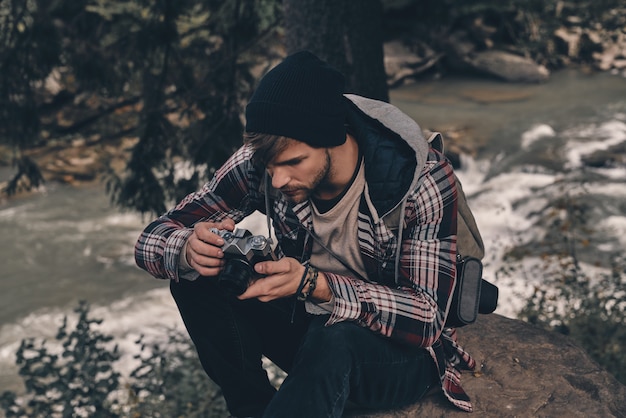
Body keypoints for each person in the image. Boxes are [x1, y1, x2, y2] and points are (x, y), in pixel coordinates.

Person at [135, 51, 476, 418]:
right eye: (270, 165)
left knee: (335, 336)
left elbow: (426, 318)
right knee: (195, 279)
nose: (278, 180)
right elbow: (150, 238)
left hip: (397, 355)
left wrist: (317, 284)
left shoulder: (421, 180)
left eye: (294, 163)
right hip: (309, 327)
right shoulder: (263, 162)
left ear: (334, 138)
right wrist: (187, 248)